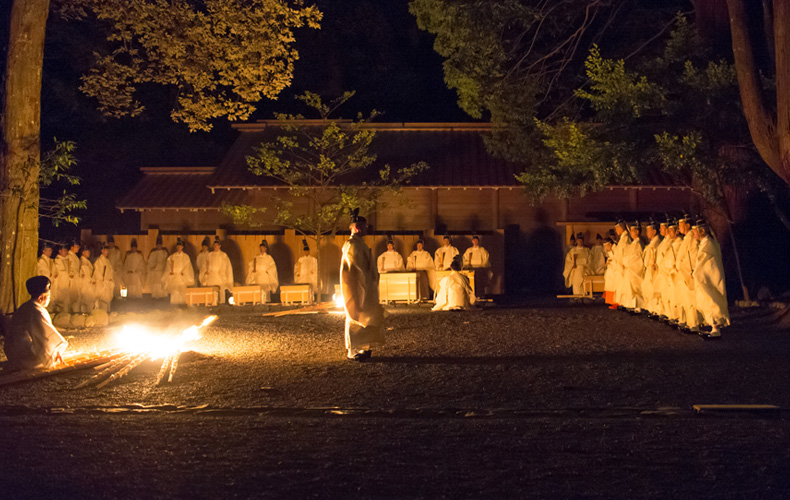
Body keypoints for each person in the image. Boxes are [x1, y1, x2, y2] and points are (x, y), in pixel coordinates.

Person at [340, 209, 385, 362]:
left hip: (366, 285)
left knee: (367, 315)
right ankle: (352, 350)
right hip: (357, 285)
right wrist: (364, 281)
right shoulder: (352, 245)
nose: (367, 229)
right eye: (365, 226)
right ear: (357, 227)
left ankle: (363, 346)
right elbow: (354, 268)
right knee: (355, 314)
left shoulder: (361, 244)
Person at [3, 277, 68, 371]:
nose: (50, 299)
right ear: (40, 298)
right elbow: (44, 339)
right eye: (48, 296)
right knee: (49, 359)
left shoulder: (27, 306)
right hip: (23, 356)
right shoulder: (36, 312)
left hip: (14, 352)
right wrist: (54, 352)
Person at [692, 219, 729, 338]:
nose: (693, 234)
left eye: (695, 231)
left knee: (712, 300)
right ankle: (713, 327)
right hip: (705, 278)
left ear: (702, 231)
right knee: (707, 301)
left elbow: (706, 264)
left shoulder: (708, 244)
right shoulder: (704, 243)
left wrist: (697, 273)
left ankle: (716, 329)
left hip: (710, 278)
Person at [675, 214, 700, 333]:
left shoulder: (691, 239)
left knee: (691, 300)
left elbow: (693, 256)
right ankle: (690, 322)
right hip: (682, 273)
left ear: (687, 225)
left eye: (681, 225)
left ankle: (694, 323)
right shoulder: (686, 239)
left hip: (688, 273)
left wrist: (687, 269)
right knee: (685, 299)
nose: (679, 227)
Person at [621, 220, 645, 313]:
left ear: (637, 232)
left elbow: (636, 259)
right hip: (629, 269)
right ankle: (631, 304)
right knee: (630, 288)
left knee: (636, 287)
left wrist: (629, 264)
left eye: (632, 231)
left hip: (634, 270)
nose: (631, 233)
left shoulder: (638, 244)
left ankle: (638, 306)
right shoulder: (633, 243)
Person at [163, 238, 195, 304]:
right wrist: (170, 272)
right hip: (174, 276)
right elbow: (168, 265)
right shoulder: (172, 256)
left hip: (181, 276)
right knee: (174, 291)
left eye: (180, 246)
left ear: (182, 247)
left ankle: (182, 304)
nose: (179, 248)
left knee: (181, 290)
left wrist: (184, 272)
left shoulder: (185, 256)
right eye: (178, 246)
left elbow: (187, 265)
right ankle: (174, 304)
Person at [202, 236, 234, 303]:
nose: (215, 247)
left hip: (219, 276)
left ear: (219, 246)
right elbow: (205, 264)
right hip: (211, 275)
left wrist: (221, 272)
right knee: (211, 291)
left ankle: (221, 303)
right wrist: (206, 271)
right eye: (214, 245)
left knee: (221, 291)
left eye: (217, 245)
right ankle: (211, 303)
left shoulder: (223, 255)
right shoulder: (209, 255)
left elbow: (226, 266)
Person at [641, 220, 662, 317]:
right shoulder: (651, 243)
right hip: (649, 269)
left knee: (654, 290)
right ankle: (651, 308)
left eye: (648, 231)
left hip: (653, 269)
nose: (647, 233)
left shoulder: (656, 243)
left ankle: (656, 310)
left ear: (654, 231)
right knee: (648, 289)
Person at [612, 220, 631, 309]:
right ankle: (622, 303)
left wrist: (623, 263)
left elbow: (626, 253)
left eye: (617, 229)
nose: (616, 231)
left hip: (623, 266)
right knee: (621, 285)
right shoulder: (622, 239)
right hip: (619, 266)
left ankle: (625, 303)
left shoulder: (626, 238)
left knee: (624, 285)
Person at [93, 243, 115, 312]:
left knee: (107, 303)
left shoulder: (107, 261)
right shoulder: (98, 261)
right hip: (102, 285)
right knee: (102, 302)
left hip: (108, 284)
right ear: (102, 251)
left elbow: (110, 272)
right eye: (105, 250)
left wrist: (110, 280)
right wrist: (103, 281)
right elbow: (97, 273)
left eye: (108, 250)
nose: (107, 252)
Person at [52, 244, 70, 313]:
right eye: (64, 251)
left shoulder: (66, 260)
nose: (66, 252)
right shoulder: (57, 260)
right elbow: (60, 272)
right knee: (60, 300)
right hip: (60, 283)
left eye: (66, 251)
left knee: (66, 300)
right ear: (60, 251)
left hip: (66, 283)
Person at [78, 246, 96, 314]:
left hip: (88, 283)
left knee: (88, 300)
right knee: (87, 300)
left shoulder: (87, 261)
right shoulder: (83, 262)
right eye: (87, 252)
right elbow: (86, 273)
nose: (89, 253)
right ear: (83, 253)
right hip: (85, 283)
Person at [66, 241, 81, 313]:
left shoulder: (75, 256)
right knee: (72, 295)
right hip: (72, 278)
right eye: (76, 247)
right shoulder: (69, 256)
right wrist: (71, 273)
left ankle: (75, 311)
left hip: (76, 277)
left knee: (76, 294)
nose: (78, 249)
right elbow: (70, 266)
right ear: (72, 247)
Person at [602, 237, 617, 307]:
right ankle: (611, 302)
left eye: (606, 246)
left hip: (615, 272)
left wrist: (611, 262)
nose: (605, 248)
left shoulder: (615, 250)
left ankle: (616, 303)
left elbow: (617, 260)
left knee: (614, 286)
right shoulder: (610, 251)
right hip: (611, 271)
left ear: (610, 245)